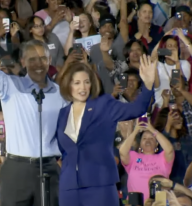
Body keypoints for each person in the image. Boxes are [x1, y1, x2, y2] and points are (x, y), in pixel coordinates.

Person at [0, 3, 67, 206]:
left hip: (51, 168)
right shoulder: (11, 86)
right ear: (23, 62)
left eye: (42, 59)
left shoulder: (61, 94)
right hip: (17, 167)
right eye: (32, 59)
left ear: (49, 60)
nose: (38, 64)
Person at [55, 54, 155, 206]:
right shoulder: (63, 114)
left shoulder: (104, 105)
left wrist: (148, 86)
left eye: (86, 82)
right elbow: (64, 150)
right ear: (68, 85)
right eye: (77, 83)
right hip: (69, 188)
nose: (82, 88)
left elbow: (136, 109)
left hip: (99, 184)